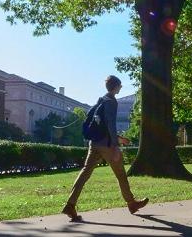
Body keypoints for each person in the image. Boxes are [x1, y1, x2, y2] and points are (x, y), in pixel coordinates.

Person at [62, 75, 148, 222]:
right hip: (107, 145)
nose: (121, 88)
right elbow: (110, 124)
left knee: (85, 173)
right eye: (120, 86)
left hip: (94, 143)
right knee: (121, 174)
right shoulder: (112, 102)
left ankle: (70, 205)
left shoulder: (101, 99)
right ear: (115, 87)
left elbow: (102, 125)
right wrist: (115, 146)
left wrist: (119, 138)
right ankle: (131, 203)